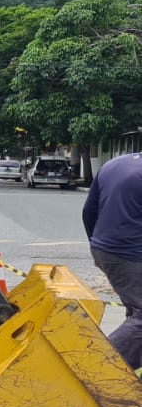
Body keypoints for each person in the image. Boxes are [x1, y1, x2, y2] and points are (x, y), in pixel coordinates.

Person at [83, 153, 142, 375]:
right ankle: (95, 372)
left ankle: (124, 376)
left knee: (136, 312)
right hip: (130, 255)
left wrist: (96, 247)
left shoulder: (115, 164)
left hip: (105, 249)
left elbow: (89, 212)